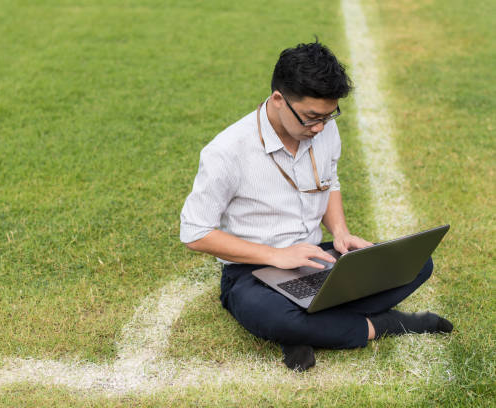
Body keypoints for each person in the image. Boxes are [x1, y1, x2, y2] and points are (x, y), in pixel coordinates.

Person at [179, 40, 453, 371]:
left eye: (329, 115)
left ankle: (305, 328)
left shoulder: (324, 129)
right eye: (312, 117)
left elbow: (329, 181)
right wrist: (276, 256)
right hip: (252, 271)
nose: (320, 127)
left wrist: (340, 232)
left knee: (416, 263)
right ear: (279, 100)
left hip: (316, 259)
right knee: (268, 313)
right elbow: (195, 233)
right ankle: (383, 325)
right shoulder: (226, 151)